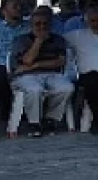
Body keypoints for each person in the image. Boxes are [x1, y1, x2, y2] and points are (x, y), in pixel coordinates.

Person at [9, 7, 74, 137]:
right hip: (25, 76)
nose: (42, 27)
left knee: (67, 87)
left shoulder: (58, 39)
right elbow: (27, 60)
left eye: (45, 23)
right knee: (34, 89)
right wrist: (38, 41)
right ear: (31, 25)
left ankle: (51, 119)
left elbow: (60, 62)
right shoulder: (21, 40)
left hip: (52, 73)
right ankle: (34, 122)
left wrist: (37, 64)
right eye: (37, 24)